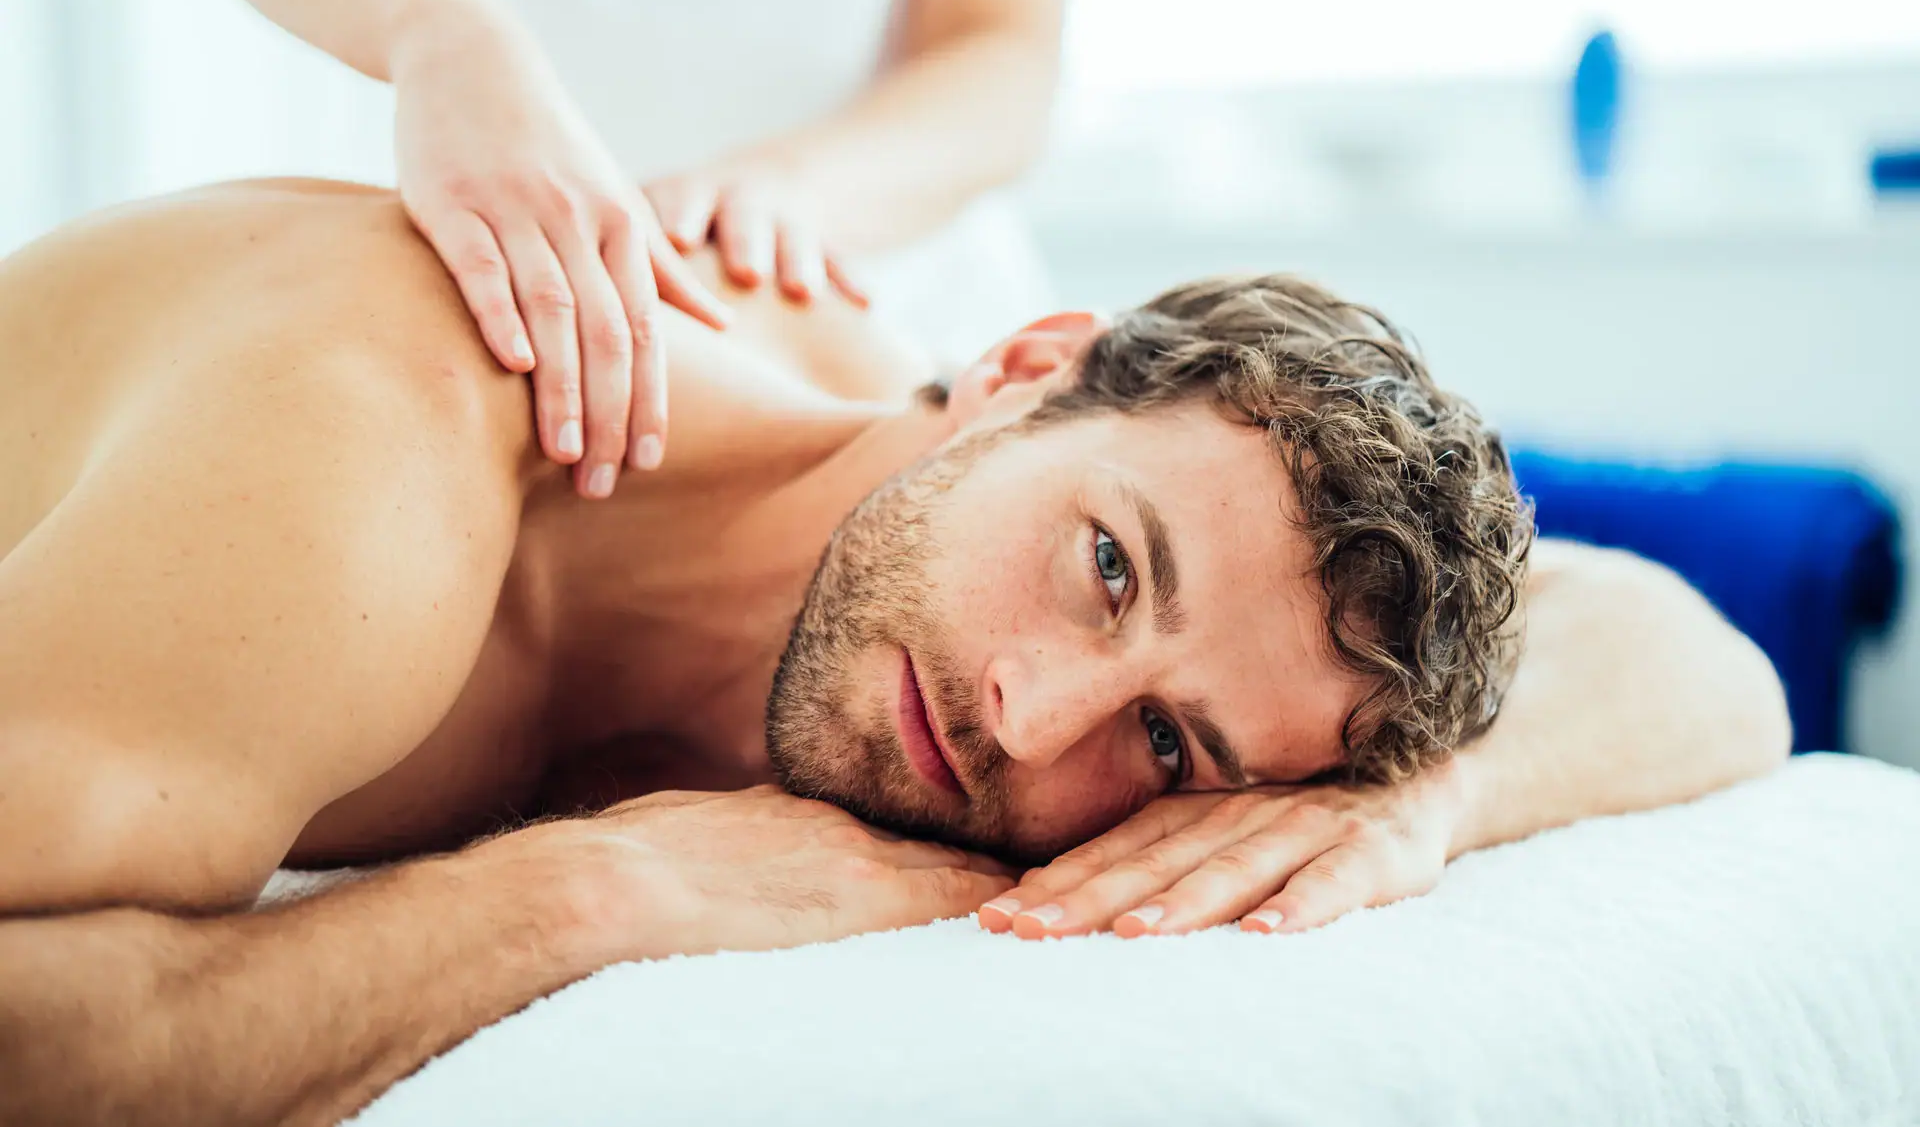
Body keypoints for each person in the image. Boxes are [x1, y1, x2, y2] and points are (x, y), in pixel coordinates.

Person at [0, 180, 1790, 1125]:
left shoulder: (989, 528)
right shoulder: (368, 484)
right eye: (1105, 568)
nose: (1034, 719)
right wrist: (581, 899)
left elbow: (1702, 662)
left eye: (1171, 749)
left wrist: (1422, 810)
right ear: (1018, 366)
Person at [147, 0, 1092, 501]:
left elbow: (1003, 47)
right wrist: (441, 36)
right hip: (465, 279)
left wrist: (783, 192)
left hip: (874, 301)